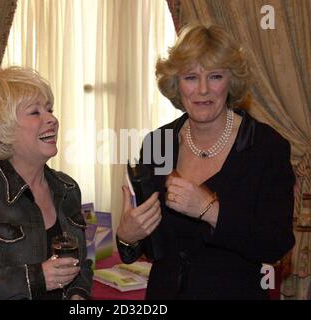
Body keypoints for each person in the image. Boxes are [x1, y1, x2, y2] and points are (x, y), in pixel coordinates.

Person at [116, 23, 295, 299]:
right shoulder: (157, 143)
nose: (202, 90)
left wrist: (209, 210)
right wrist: (128, 236)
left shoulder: (265, 147)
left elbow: (276, 243)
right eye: (190, 77)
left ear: (230, 81)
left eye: (214, 76)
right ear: (176, 83)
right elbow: (153, 248)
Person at [0, 67, 93, 299]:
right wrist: (36, 278)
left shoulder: (67, 188)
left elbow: (80, 264)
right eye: (35, 112)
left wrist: (78, 292)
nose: (52, 119)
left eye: (49, 109)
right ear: (3, 129)